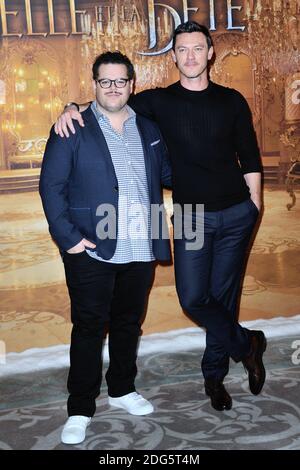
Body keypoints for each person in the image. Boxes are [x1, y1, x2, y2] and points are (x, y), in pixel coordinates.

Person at [54, 21, 267, 413]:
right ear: (173, 57)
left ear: (210, 53)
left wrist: (255, 204)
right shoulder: (156, 102)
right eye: (182, 50)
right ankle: (247, 344)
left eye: (197, 48)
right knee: (194, 298)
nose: (190, 56)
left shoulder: (232, 100)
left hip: (236, 213)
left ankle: (214, 377)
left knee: (223, 298)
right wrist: (72, 106)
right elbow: (108, 100)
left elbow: (250, 156)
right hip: (189, 216)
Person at [39, 51, 172, 445]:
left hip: (141, 244)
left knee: (129, 323)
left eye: (120, 81)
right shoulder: (72, 126)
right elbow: (51, 187)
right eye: (105, 81)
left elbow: (167, 174)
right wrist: (69, 239)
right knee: (89, 328)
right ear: (94, 84)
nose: (113, 88)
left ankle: (122, 389)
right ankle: (80, 407)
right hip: (91, 247)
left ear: (132, 84)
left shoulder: (149, 127)